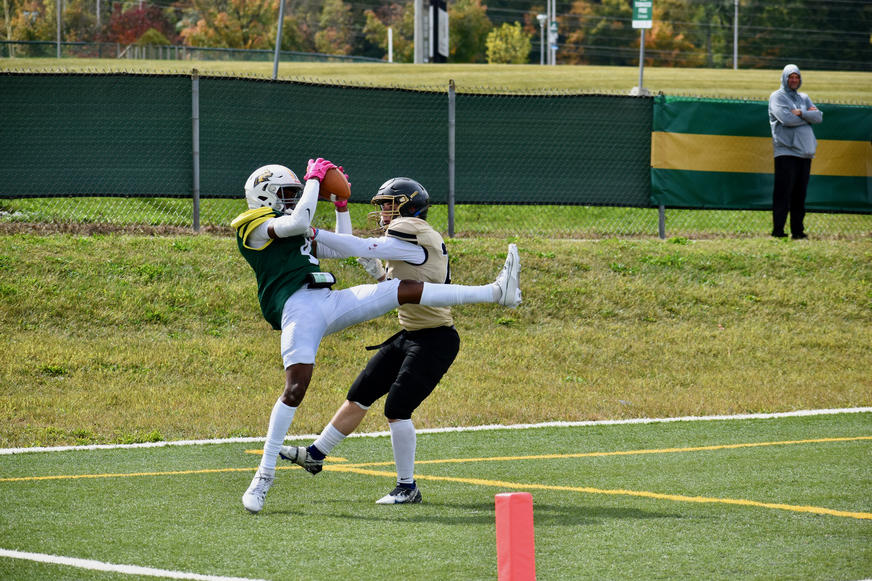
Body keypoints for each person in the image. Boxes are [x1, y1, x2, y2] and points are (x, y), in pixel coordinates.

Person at [232, 159, 521, 513]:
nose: (293, 200)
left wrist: (339, 207)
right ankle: (264, 476)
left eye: (295, 193)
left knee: (403, 289)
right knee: (297, 388)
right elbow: (306, 225)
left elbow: (343, 245)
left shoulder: (402, 231)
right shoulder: (253, 227)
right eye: (286, 194)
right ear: (263, 195)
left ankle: (495, 293)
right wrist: (314, 181)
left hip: (333, 302)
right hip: (298, 309)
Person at [279, 177, 459, 505]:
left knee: (397, 408)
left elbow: (364, 245)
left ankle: (408, 486)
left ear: (408, 205)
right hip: (410, 334)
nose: (383, 211)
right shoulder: (408, 238)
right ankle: (315, 455)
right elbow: (396, 286)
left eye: (389, 204)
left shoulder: (412, 231)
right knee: (359, 395)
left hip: (436, 339)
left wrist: (317, 234)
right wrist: (377, 272)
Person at [768, 64, 823, 239]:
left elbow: (819, 117)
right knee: (783, 193)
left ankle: (798, 232)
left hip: (805, 152)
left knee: (800, 194)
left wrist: (801, 113)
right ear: (784, 78)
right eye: (791, 77)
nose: (794, 80)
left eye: (796, 77)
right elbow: (786, 119)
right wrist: (807, 117)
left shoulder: (804, 98)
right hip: (786, 152)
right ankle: (778, 231)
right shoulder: (777, 97)